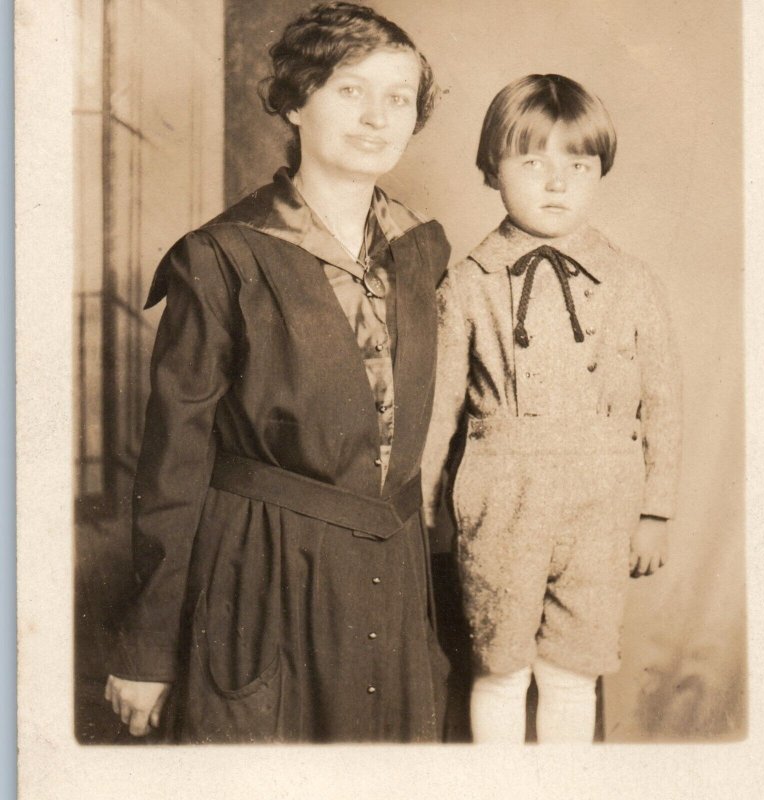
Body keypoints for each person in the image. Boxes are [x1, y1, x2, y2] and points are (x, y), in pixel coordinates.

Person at [104, 1, 450, 743]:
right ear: (296, 100)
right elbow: (173, 462)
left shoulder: (423, 249)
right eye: (350, 91)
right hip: (261, 575)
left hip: (390, 582)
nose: (377, 117)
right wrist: (147, 646)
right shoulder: (222, 257)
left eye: (399, 98)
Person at [421, 74, 681, 744]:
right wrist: (422, 513)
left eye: (578, 165)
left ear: (599, 173)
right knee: (500, 668)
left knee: (573, 670)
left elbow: (664, 404)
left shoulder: (633, 281)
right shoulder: (468, 285)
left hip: (604, 500)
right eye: (532, 163)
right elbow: (440, 409)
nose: (556, 183)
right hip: (502, 499)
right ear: (492, 170)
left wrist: (656, 510)